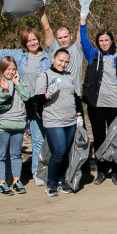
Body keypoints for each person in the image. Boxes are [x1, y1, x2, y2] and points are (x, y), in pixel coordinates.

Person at [0, 10, 52, 186]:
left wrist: (42, 10)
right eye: (28, 40)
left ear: (38, 40)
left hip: (40, 104)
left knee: (40, 138)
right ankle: (20, 174)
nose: (32, 42)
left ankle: (41, 172)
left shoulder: (48, 57)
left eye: (34, 39)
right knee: (17, 141)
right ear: (24, 43)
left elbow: (49, 33)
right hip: (20, 105)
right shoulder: (18, 56)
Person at [77, 0, 117, 185]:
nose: (104, 43)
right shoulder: (93, 56)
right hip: (96, 105)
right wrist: (83, 16)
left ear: (111, 41)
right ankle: (101, 170)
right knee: (99, 137)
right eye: (101, 41)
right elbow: (83, 41)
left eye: (106, 40)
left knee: (115, 138)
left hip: (115, 104)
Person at [34, 48, 83, 196]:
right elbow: (37, 99)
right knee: (59, 152)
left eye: (66, 62)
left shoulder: (69, 76)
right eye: (60, 60)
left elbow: (75, 97)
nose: (63, 64)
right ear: (53, 59)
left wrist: (79, 116)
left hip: (70, 121)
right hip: (54, 121)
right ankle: (51, 182)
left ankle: (62, 181)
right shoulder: (45, 76)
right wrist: (48, 94)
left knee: (66, 152)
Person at [0, 57, 29, 195]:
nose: (11, 71)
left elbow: (27, 96)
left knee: (16, 154)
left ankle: (16, 180)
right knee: (1, 154)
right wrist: (5, 90)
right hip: (3, 123)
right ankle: (1, 182)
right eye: (8, 69)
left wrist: (17, 84)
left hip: (19, 123)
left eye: (13, 68)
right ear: (3, 69)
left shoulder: (20, 81)